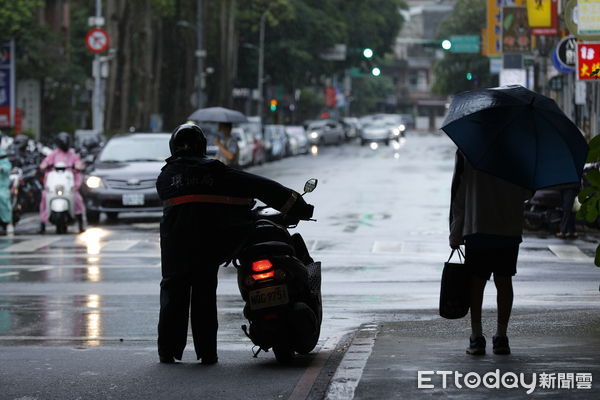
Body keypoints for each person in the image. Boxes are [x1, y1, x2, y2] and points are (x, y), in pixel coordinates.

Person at [156, 123, 313, 364]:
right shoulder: (215, 172)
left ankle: (168, 352)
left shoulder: (165, 177)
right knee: (204, 298)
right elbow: (261, 186)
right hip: (206, 246)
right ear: (202, 146)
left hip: (174, 248)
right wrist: (299, 207)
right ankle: (207, 353)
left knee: (172, 297)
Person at [449, 150, 532, 356]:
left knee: (476, 283)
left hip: (478, 225)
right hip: (508, 228)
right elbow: (527, 193)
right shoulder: (518, 152)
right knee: (504, 282)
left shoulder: (468, 150)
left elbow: (459, 194)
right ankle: (501, 338)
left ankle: (477, 338)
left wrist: (455, 232)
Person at [39, 132, 85, 234]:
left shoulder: (73, 154)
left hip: (69, 183)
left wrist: (78, 166)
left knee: (77, 198)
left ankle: (80, 223)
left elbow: (79, 164)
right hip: (55, 183)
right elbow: (45, 162)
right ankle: (42, 224)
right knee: (44, 197)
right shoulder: (54, 154)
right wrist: (44, 165)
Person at [0, 149, 12, 235]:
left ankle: (8, 223)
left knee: (3, 198)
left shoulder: (2, 154)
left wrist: (2, 168)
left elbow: (7, 166)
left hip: (2, 185)